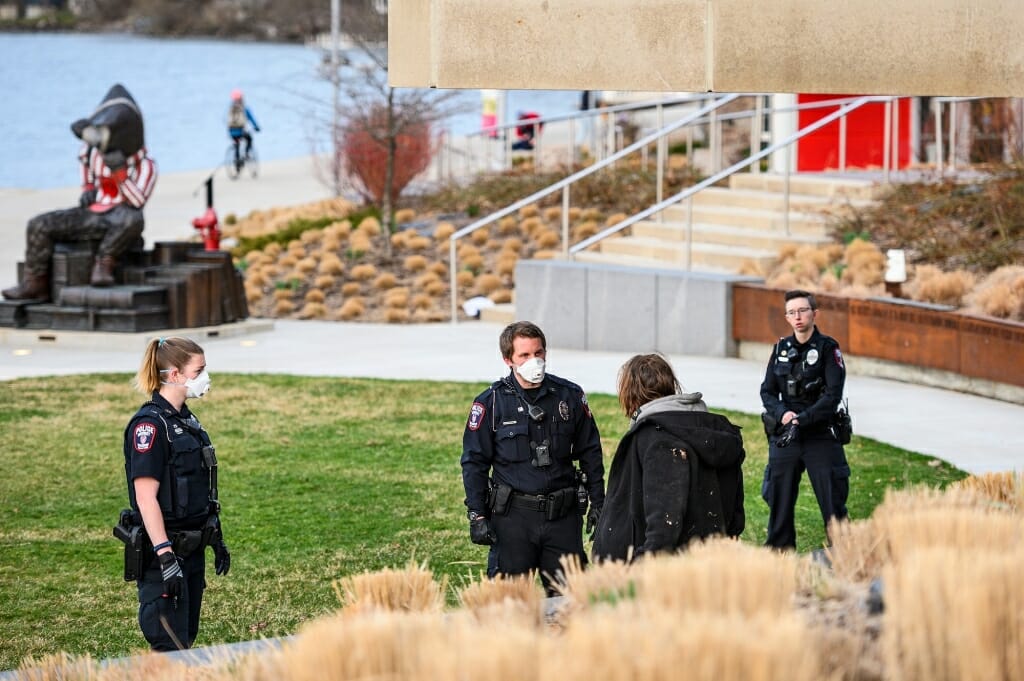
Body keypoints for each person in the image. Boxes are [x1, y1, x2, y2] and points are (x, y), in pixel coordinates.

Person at [461, 321, 605, 594]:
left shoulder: (569, 396)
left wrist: (599, 502)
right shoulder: (490, 403)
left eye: (538, 353)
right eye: (524, 356)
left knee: (572, 602)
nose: (534, 361)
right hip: (513, 520)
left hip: (563, 518)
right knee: (508, 605)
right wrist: (477, 515)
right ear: (508, 360)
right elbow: (474, 463)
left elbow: (590, 452)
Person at [120, 336, 230, 651]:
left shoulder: (186, 420)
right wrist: (166, 556)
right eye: (200, 370)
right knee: (168, 646)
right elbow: (145, 498)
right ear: (176, 375)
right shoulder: (150, 427)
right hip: (166, 556)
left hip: (192, 551)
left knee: (185, 638)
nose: (205, 377)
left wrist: (215, 538)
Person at [2, 84, 157, 301]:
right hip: (93, 214)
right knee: (39, 224)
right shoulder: (92, 154)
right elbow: (86, 167)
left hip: (120, 219)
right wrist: (89, 189)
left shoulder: (146, 165)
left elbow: (137, 201)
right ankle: (35, 282)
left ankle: (104, 264)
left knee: (133, 218)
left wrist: (120, 174)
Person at [592, 354, 745, 563]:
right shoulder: (711, 430)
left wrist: (642, 564)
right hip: (709, 561)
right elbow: (735, 510)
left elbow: (665, 519)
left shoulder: (657, 438)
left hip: (668, 572)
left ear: (631, 393)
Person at [759, 289, 851, 550]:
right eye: (791, 312)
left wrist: (802, 418)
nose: (797, 316)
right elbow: (767, 390)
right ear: (787, 317)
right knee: (778, 498)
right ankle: (779, 554)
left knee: (833, 503)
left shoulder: (828, 348)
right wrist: (783, 415)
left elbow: (833, 395)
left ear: (814, 313)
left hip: (820, 434)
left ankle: (845, 554)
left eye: (802, 310)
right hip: (787, 434)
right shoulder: (780, 349)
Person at [227, 88, 260, 167]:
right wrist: (256, 127)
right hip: (241, 131)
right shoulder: (244, 108)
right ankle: (246, 154)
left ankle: (237, 161)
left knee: (237, 145)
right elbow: (251, 118)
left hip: (231, 132)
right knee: (249, 139)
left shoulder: (231, 108)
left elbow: (227, 120)